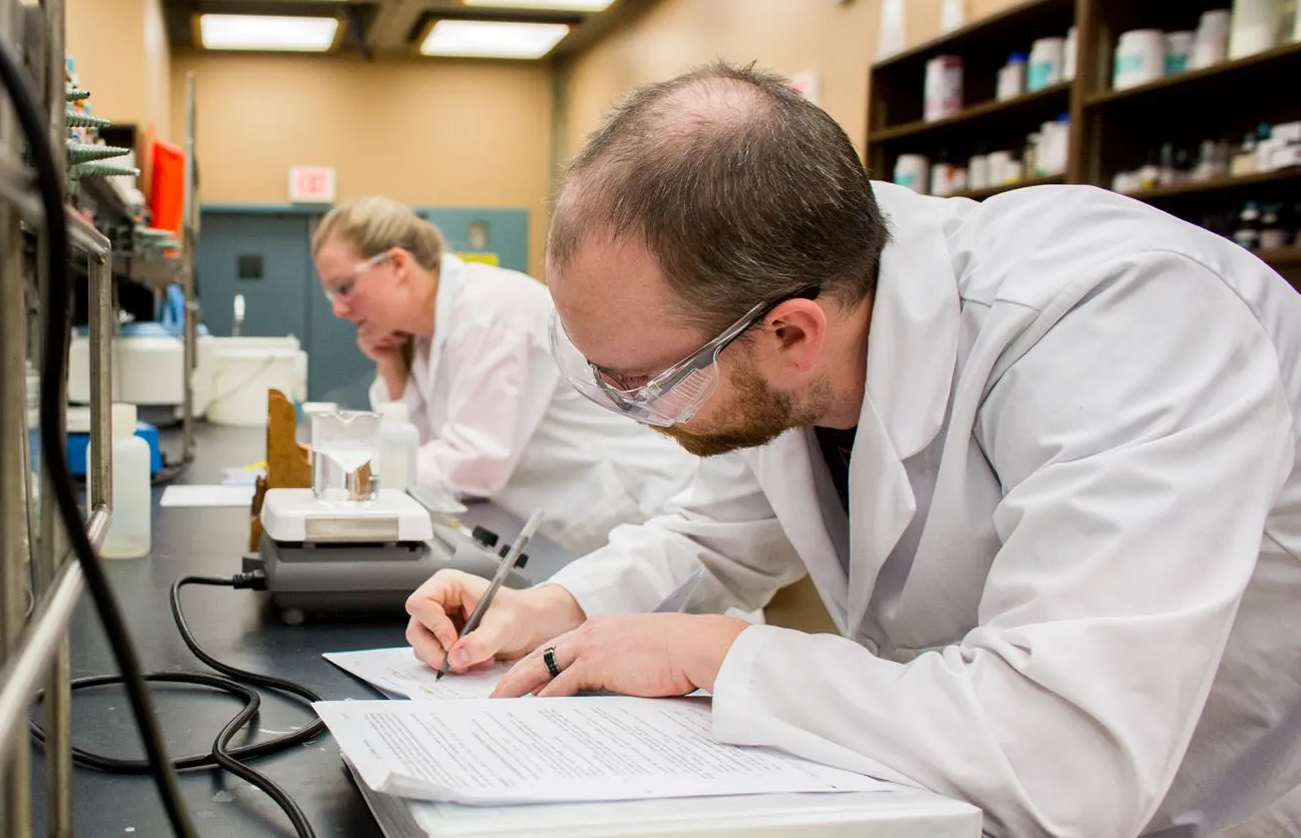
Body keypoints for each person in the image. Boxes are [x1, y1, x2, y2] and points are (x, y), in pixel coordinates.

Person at [404, 63, 1301, 837]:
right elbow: (714, 535)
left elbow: (1063, 757)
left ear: (793, 335)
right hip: (963, 787)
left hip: (1219, 798)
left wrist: (718, 655)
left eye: (644, 383)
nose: (632, 413)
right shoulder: (797, 305)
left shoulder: (1121, 325)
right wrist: (553, 610)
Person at [312, 196, 697, 552]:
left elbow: (474, 464)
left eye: (344, 288)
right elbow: (420, 445)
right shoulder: (427, 334)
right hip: (555, 516)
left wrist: (354, 468)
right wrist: (392, 365)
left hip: (632, 508)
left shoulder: (488, 313)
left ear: (397, 264)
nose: (339, 310)